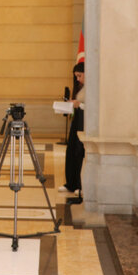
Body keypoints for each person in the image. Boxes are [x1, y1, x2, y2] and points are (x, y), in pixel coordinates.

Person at [59, 62, 85, 194]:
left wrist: (79, 105)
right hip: (77, 122)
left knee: (80, 153)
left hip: (85, 124)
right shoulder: (79, 88)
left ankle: (80, 185)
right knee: (71, 151)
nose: (78, 79)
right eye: (76, 76)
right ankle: (71, 183)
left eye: (80, 76)